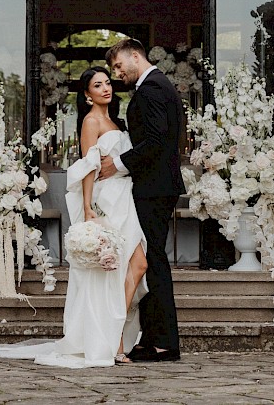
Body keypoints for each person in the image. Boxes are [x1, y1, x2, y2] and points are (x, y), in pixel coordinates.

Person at [0, 67, 148, 368]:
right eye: (97, 85)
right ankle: (113, 342)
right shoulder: (91, 121)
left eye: (107, 83)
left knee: (138, 264)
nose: (105, 88)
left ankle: (114, 334)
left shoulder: (115, 120)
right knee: (115, 269)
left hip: (124, 197)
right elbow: (88, 166)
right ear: (87, 95)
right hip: (107, 199)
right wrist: (88, 207)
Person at [100, 38, 184, 363]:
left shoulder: (151, 90)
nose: (118, 73)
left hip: (155, 187)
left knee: (155, 262)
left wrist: (117, 165)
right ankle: (154, 338)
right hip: (157, 185)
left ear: (135, 56)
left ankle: (162, 342)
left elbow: (156, 141)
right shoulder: (157, 86)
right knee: (151, 260)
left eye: (119, 66)